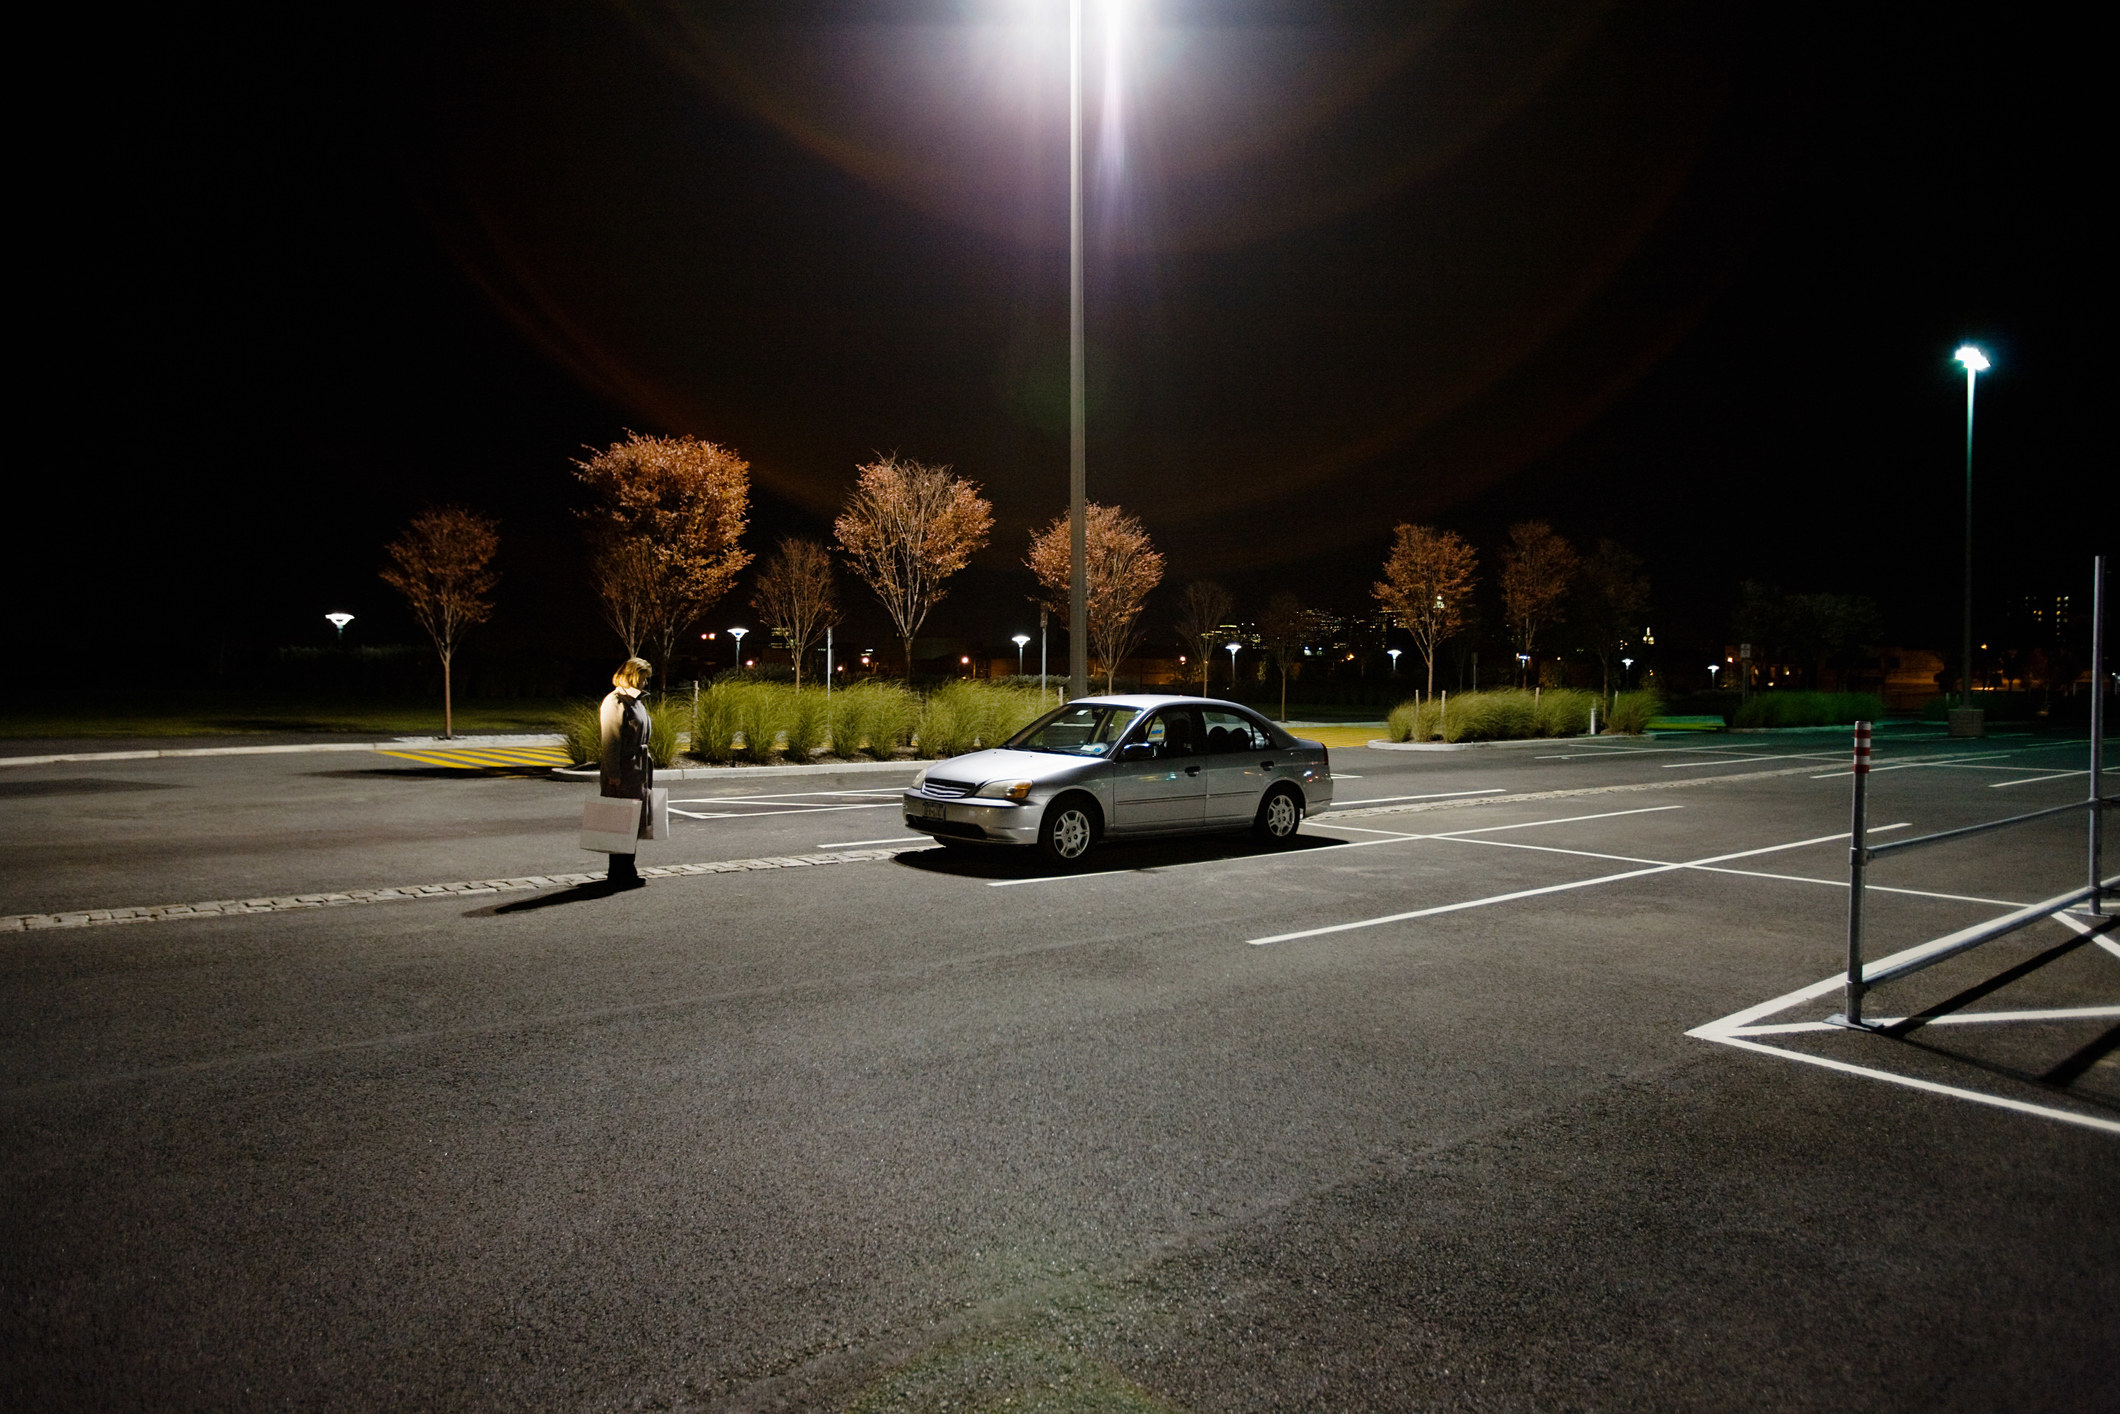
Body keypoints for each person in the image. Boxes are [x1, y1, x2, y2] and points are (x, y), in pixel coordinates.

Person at [598, 657, 655, 888]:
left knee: (631, 821)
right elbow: (610, 740)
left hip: (636, 768)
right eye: (644, 677)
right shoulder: (616, 701)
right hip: (624, 768)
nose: (646, 682)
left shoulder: (635, 700)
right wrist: (614, 773)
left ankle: (626, 870)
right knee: (621, 821)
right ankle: (619, 873)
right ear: (633, 675)